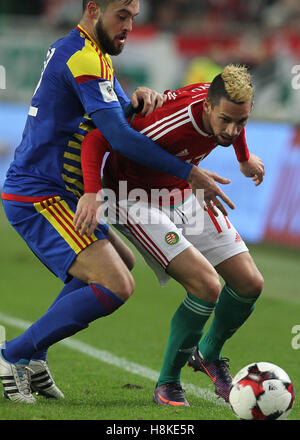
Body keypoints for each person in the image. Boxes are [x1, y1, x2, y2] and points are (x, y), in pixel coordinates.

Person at [0, 0, 233, 404]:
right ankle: (12, 355)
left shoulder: (82, 52)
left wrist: (135, 100)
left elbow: (112, 117)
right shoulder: (86, 58)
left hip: (57, 191)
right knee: (116, 283)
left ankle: (34, 356)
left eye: (133, 17)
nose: (128, 26)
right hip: (39, 193)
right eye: (121, 16)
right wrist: (189, 173)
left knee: (120, 264)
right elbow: (120, 138)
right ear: (93, 9)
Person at [75, 64, 265, 406]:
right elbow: (98, 138)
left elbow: (232, 125)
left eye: (243, 121)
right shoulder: (172, 123)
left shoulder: (219, 103)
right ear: (207, 107)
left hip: (181, 189)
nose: (233, 130)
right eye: (226, 120)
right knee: (207, 286)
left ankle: (207, 354)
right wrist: (91, 191)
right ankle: (168, 383)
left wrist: (244, 158)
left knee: (250, 283)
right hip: (132, 198)